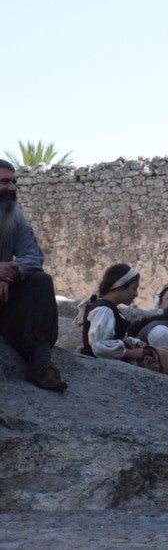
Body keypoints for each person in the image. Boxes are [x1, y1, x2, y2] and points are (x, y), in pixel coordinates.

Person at [0, 159, 67, 392]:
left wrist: (10, 271)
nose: (12, 188)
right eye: (4, 182)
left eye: (14, 182)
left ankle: (40, 364)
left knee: (41, 282)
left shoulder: (13, 217)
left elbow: (34, 257)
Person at [79, 263, 168, 385]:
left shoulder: (109, 309)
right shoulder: (104, 310)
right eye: (134, 288)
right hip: (100, 364)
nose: (136, 294)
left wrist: (134, 342)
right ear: (120, 287)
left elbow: (115, 337)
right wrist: (130, 353)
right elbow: (99, 346)